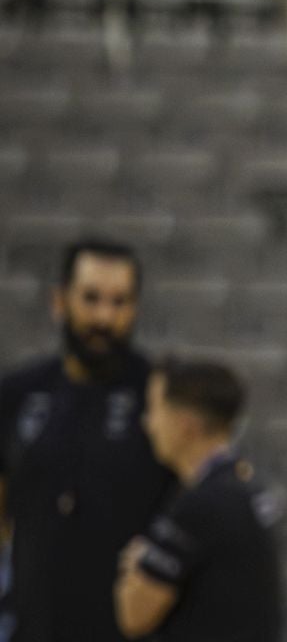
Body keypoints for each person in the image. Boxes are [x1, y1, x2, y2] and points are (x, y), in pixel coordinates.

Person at [0, 241, 175, 642]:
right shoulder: (19, 393)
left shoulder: (158, 399)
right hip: (32, 624)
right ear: (60, 301)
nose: (104, 317)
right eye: (92, 299)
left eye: (120, 302)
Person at [114, 359, 284, 641]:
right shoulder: (249, 487)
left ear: (185, 426)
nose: (148, 424)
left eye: (154, 410)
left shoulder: (202, 504)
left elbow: (134, 616)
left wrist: (136, 565)